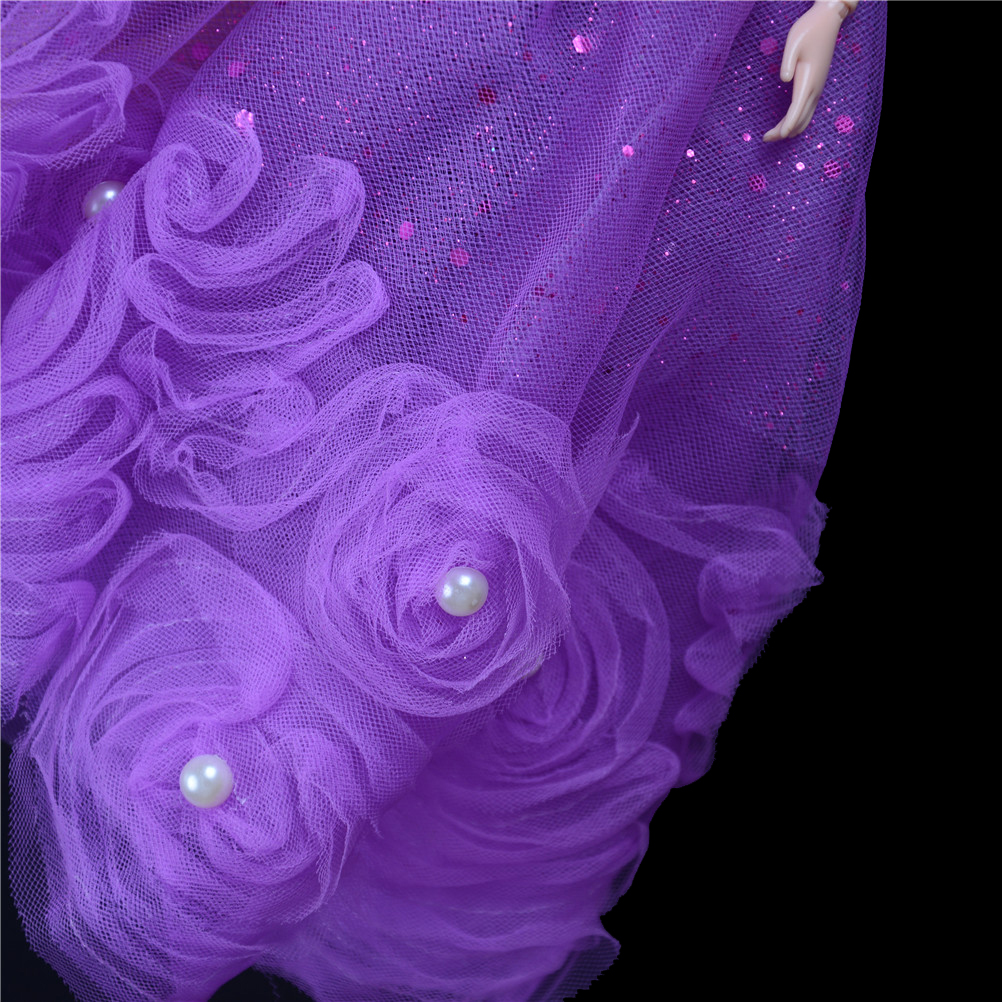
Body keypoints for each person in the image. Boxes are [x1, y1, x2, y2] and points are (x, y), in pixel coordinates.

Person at [1, 2, 885, 999]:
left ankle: (242, 765)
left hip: (701, 56)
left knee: (532, 361)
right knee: (325, 235)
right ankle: (162, 633)